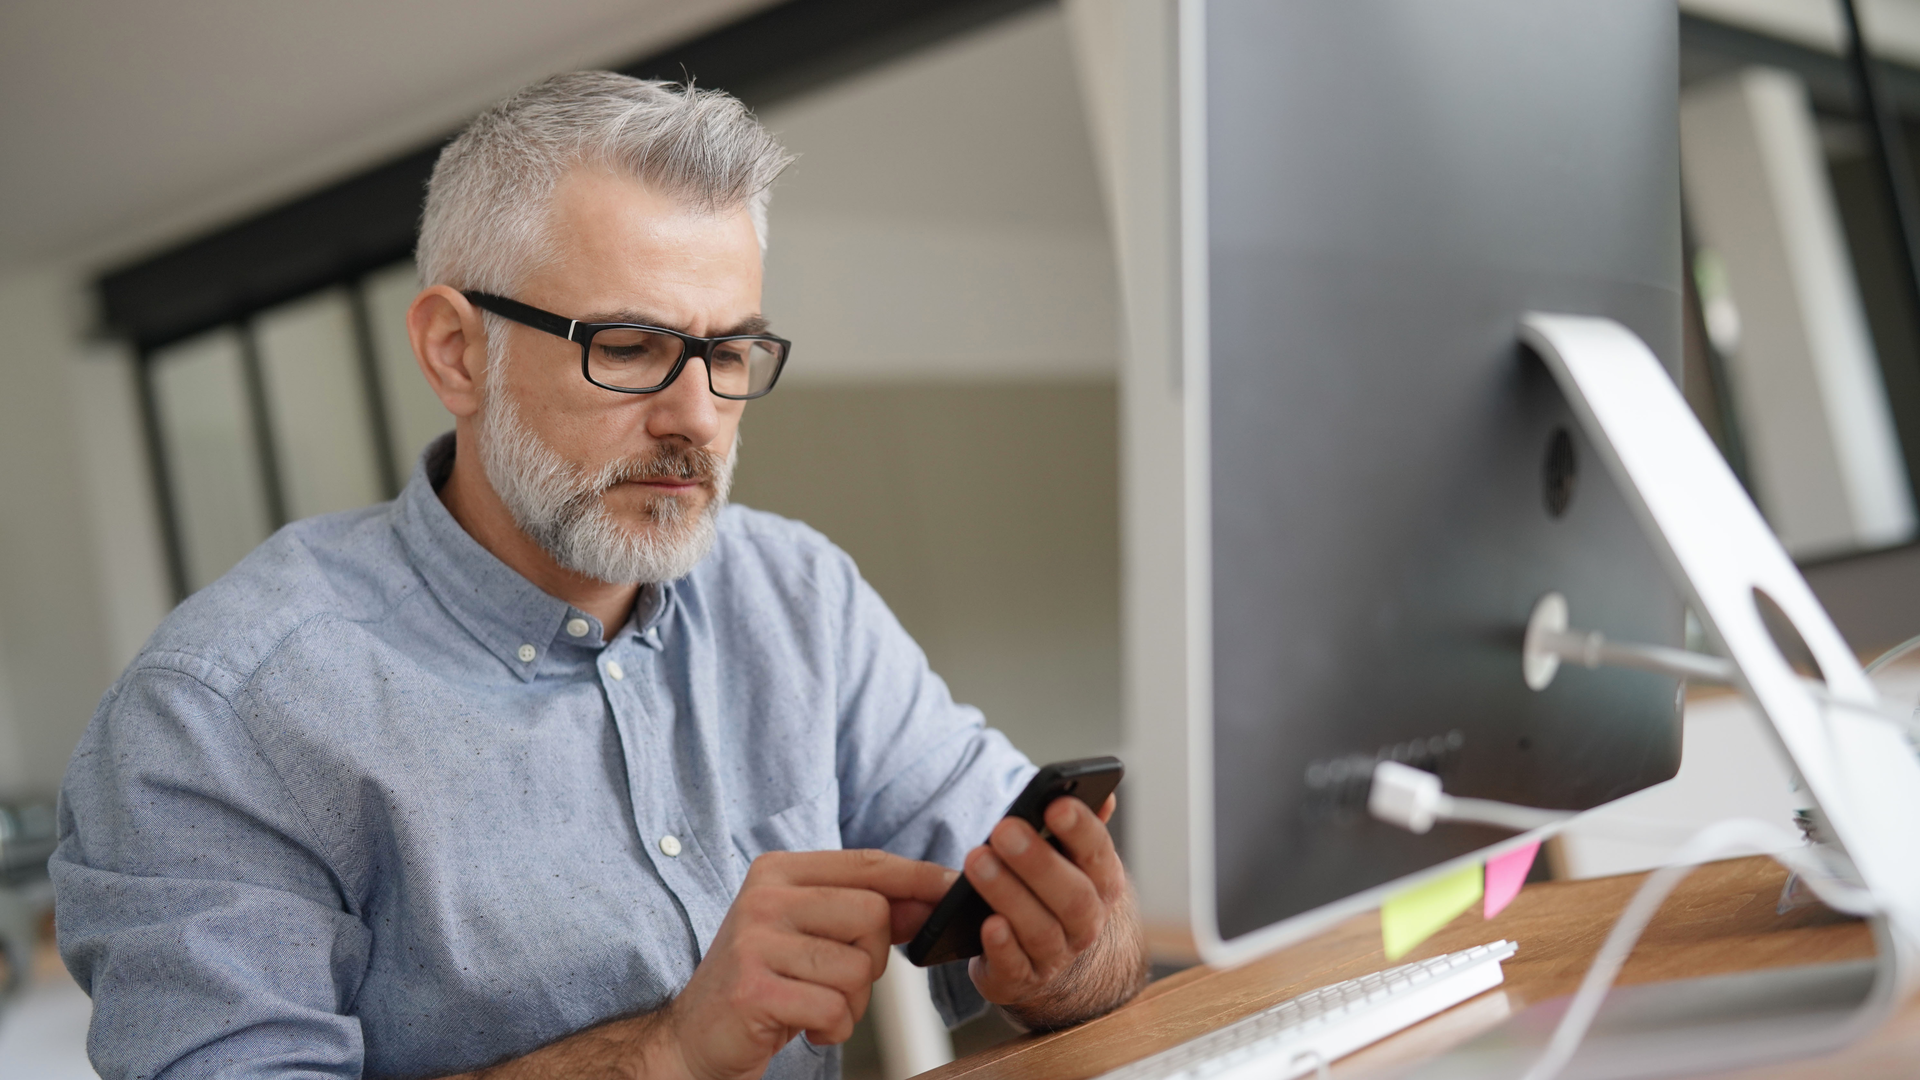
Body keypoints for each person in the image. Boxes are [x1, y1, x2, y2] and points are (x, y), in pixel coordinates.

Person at [51, 72, 1148, 1079]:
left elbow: (1071, 934)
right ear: (453, 352)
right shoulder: (218, 719)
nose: (696, 419)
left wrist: (1071, 962)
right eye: (627, 347)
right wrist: (670, 1050)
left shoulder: (796, 597)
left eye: (728, 354)